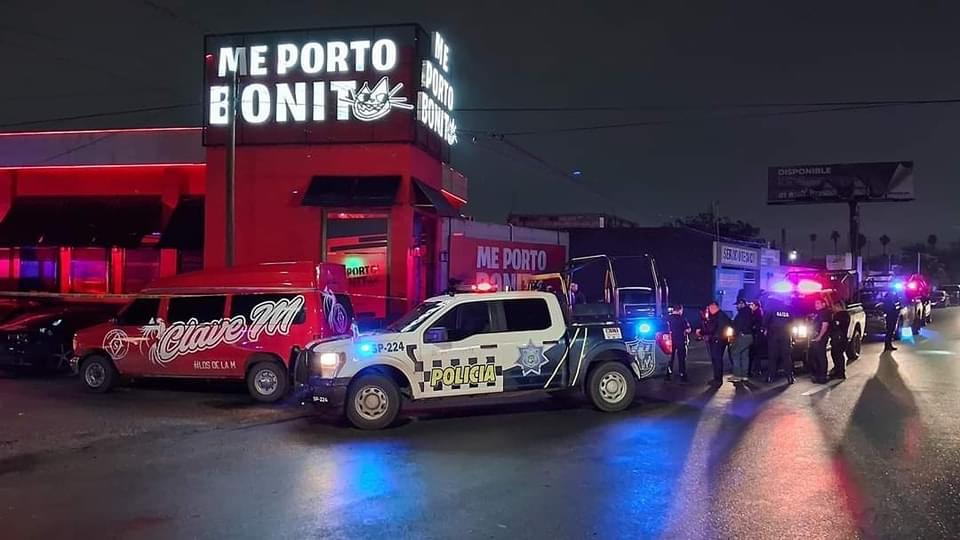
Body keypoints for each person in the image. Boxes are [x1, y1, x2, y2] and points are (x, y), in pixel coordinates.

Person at [763, 298, 794, 384]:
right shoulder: (788, 309)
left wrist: (764, 329)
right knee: (786, 357)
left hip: (774, 336)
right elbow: (792, 321)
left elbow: (765, 321)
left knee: (772, 357)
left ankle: (770, 377)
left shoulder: (771, 308)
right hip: (786, 336)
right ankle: (790, 377)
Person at [701, 302, 733, 385]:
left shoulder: (718, 317)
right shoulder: (722, 316)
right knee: (717, 359)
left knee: (717, 359)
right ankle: (717, 378)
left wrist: (701, 332)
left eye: (709, 308)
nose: (709, 310)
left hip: (717, 340)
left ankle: (718, 379)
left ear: (714, 307)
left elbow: (711, 328)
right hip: (720, 340)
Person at [728, 299, 755, 383]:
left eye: (737, 305)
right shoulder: (750, 313)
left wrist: (733, 336)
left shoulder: (742, 314)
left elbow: (737, 326)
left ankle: (737, 375)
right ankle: (744, 375)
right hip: (750, 336)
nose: (736, 306)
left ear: (742, 304)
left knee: (735, 353)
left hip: (742, 336)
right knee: (744, 355)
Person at [666, 304, 691, 382]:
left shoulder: (667, 318)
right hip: (680, 340)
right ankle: (682, 374)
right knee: (681, 358)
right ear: (680, 310)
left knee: (670, 358)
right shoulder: (682, 319)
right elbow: (688, 329)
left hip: (669, 340)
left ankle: (668, 374)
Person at [810, 298, 832, 383]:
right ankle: (818, 375)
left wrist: (819, 336)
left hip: (820, 338)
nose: (816, 305)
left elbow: (825, 325)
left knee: (820, 357)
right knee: (816, 357)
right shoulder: (819, 313)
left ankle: (822, 376)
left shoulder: (825, 312)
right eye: (815, 303)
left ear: (824, 304)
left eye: (818, 303)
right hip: (816, 337)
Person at [829, 301, 850, 379]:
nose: (833, 308)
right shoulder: (846, 315)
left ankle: (840, 373)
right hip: (842, 338)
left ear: (838, 306)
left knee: (838, 356)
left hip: (839, 339)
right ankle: (838, 371)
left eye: (834, 307)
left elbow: (835, 326)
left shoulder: (840, 315)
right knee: (837, 355)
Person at [747, 300, 764, 377]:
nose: (751, 306)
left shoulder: (757, 314)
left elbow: (756, 324)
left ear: (756, 306)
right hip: (757, 336)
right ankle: (756, 370)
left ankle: (755, 370)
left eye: (752, 305)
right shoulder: (758, 313)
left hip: (756, 336)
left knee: (754, 354)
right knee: (757, 355)